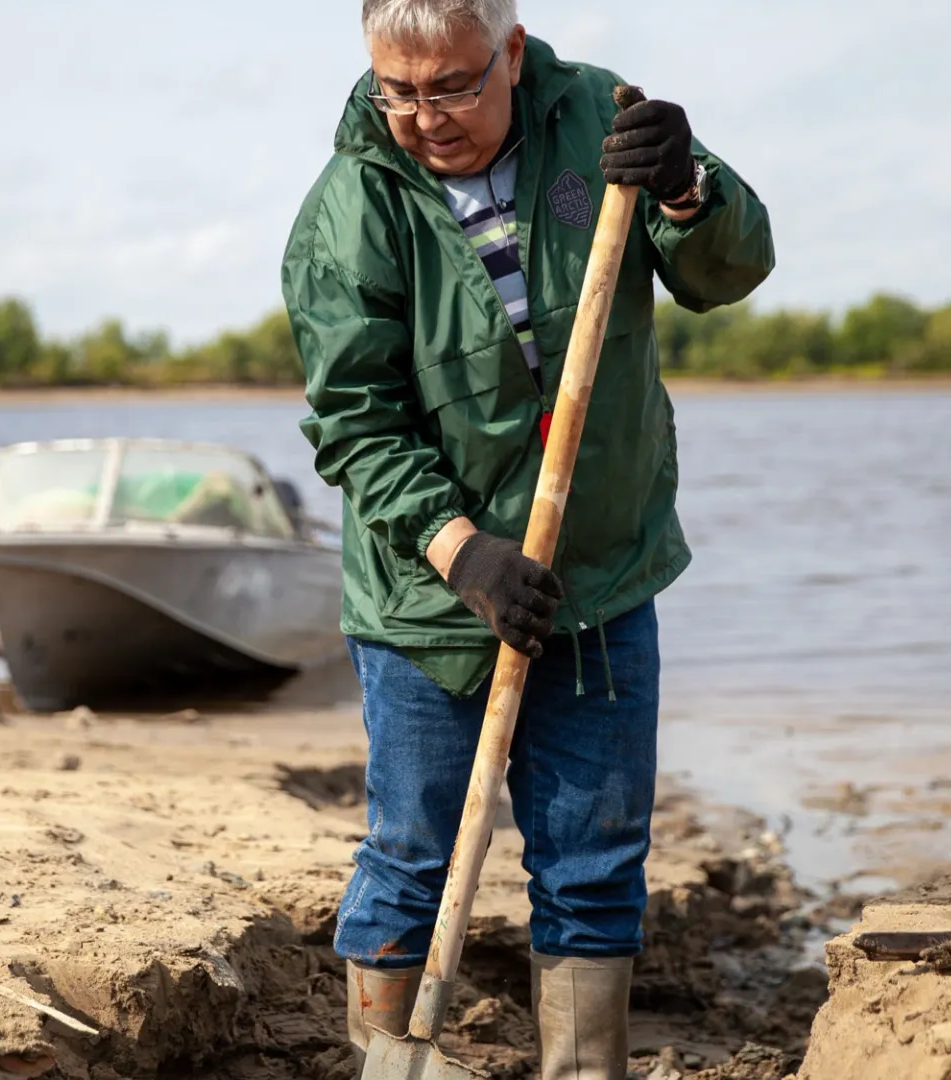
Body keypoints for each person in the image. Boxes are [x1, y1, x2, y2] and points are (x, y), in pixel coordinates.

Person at [280, 2, 773, 1075]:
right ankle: (385, 1055)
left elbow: (726, 271)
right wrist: (465, 554)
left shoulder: (605, 120)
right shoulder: (351, 207)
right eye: (397, 90)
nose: (424, 117)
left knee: (594, 862)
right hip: (428, 600)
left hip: (598, 575)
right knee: (412, 852)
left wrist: (691, 187)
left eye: (453, 85)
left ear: (510, 53)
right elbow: (357, 425)